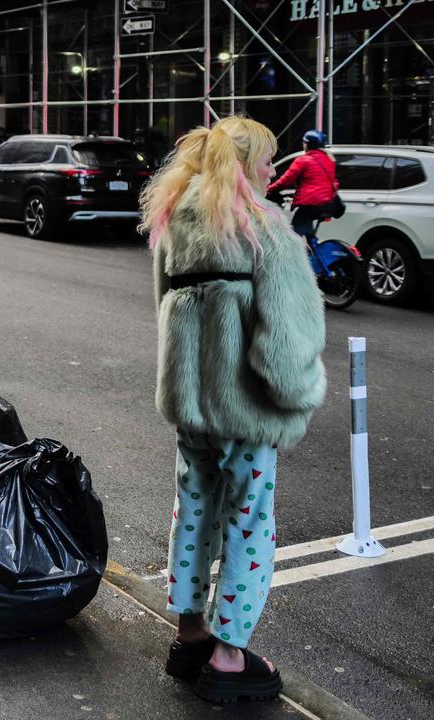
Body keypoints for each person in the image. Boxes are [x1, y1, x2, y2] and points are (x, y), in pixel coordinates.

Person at [139, 116, 326, 703]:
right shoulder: (267, 231)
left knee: (193, 510)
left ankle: (190, 634)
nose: (276, 169)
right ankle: (228, 653)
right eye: (270, 160)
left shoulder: (175, 222)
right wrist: (295, 400)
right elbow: (286, 343)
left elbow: (163, 310)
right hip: (244, 409)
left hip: (190, 405)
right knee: (249, 522)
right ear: (248, 165)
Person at [266, 130, 337, 242]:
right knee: (308, 234)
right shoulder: (329, 159)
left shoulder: (303, 160)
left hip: (310, 205)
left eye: (304, 142)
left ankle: (299, 257)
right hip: (326, 203)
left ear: (307, 144)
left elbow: (286, 180)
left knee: (292, 239)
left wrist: (269, 189)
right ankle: (312, 252)